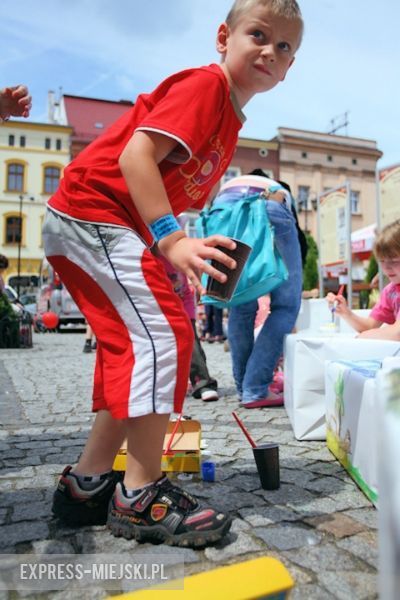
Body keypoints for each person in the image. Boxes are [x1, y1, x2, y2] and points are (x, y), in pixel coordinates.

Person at [43, 0, 304, 547]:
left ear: (289, 69)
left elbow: (162, 181)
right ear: (222, 37)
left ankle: (88, 485)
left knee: (135, 347)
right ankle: (138, 495)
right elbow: (135, 157)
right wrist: (172, 239)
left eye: (284, 47)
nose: (270, 50)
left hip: (103, 221)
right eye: (258, 34)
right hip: (93, 210)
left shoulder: (231, 117)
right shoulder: (206, 88)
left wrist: (179, 244)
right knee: (164, 335)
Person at [215, 172, 303, 408]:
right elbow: (300, 244)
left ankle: (245, 387)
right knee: (286, 305)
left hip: (222, 206)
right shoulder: (281, 189)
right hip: (268, 202)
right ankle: (255, 388)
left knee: (241, 304)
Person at [327, 219, 400, 340]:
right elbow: (370, 326)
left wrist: (361, 338)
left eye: (394, 261)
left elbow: (397, 333)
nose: (386, 267)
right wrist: (345, 312)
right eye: (381, 261)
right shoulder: (390, 291)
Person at [159, 256, 219, 402]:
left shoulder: (175, 243)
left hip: (183, 303)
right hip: (158, 306)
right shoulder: (147, 248)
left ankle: (202, 381)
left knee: (192, 344)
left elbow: (194, 264)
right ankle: (168, 384)